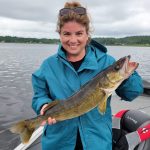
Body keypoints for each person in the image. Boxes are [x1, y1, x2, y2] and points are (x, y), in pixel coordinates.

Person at [31, 1, 143, 150]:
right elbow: (39, 95)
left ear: (87, 33)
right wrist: (43, 105)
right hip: (58, 142)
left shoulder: (106, 62)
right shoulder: (48, 65)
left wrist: (128, 75)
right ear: (59, 34)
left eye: (79, 33)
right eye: (66, 34)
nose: (73, 40)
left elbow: (133, 93)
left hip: (96, 142)